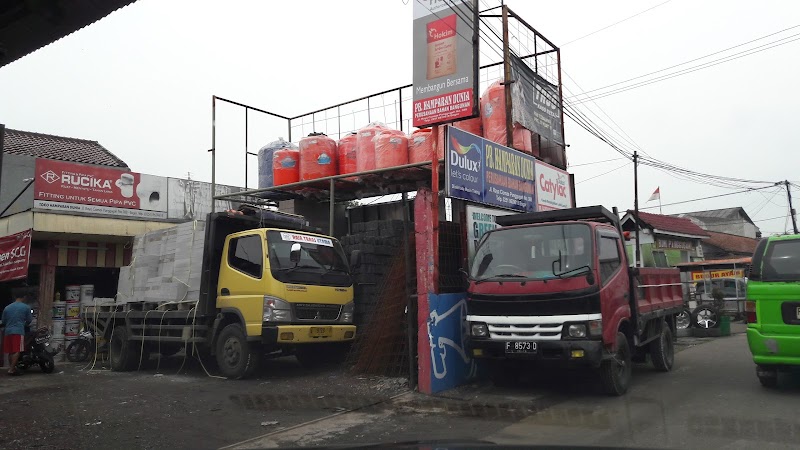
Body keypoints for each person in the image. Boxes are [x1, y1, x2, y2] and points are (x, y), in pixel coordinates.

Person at [2, 289, 32, 376]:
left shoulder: (7, 308)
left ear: (15, 297)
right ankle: (11, 369)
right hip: (18, 331)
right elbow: (29, 320)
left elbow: (4, 321)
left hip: (8, 331)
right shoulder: (26, 307)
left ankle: (12, 368)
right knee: (17, 350)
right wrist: (24, 324)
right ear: (24, 297)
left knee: (10, 351)